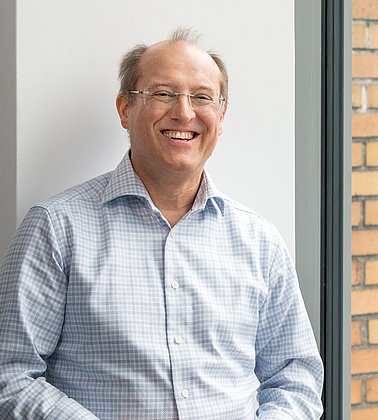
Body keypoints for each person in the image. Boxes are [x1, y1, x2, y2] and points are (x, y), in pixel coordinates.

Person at [0, 28, 324, 419]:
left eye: (202, 97)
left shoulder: (260, 241)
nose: (184, 113)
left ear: (221, 116)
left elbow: (295, 376)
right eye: (164, 93)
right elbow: (11, 374)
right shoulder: (56, 228)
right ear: (124, 109)